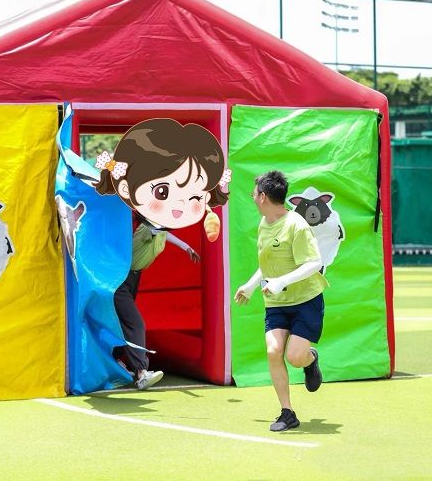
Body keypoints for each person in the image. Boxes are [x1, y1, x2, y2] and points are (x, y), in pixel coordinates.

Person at [95, 118, 230, 390]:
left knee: (122, 323)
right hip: (118, 280)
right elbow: (153, 228)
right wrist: (112, 167)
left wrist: (186, 247)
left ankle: (121, 363)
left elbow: (163, 233)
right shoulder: (140, 224)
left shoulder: (155, 226)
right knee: (135, 323)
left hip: (132, 278)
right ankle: (141, 371)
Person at [234, 170, 326, 432]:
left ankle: (310, 360)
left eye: (254, 193)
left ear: (263, 196)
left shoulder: (297, 225)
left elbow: (314, 263)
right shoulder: (264, 224)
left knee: (295, 357)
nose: (252, 197)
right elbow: (267, 263)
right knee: (273, 351)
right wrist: (251, 285)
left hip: (306, 300)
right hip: (276, 303)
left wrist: (281, 281)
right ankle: (287, 412)